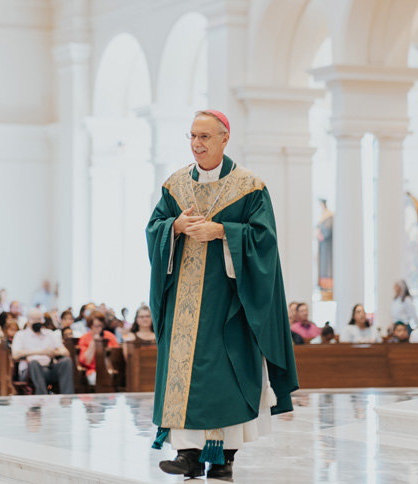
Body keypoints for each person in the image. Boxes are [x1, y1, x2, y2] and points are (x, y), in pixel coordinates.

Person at [146, 109, 298, 479]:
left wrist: (223, 233)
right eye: (193, 137)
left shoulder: (249, 187)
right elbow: (154, 229)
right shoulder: (175, 185)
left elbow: (265, 242)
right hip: (182, 302)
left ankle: (224, 458)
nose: (197, 145)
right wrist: (174, 226)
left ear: (224, 138)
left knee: (224, 376)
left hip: (228, 304)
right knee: (183, 374)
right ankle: (187, 454)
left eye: (205, 137)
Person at [11, 308, 74, 394]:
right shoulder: (21, 335)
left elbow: (66, 352)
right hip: (30, 371)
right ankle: (43, 397)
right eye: (35, 319)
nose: (38, 322)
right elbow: (15, 354)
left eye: (39, 319)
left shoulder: (49, 334)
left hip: (49, 368)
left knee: (66, 361)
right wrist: (41, 352)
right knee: (33, 363)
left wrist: (55, 352)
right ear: (28, 321)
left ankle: (67, 397)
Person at [78, 310, 120, 386]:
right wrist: (93, 342)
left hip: (110, 369)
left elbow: (116, 356)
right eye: (97, 326)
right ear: (90, 325)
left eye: (101, 326)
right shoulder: (84, 338)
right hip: (93, 371)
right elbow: (86, 361)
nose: (99, 329)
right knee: (99, 379)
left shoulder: (109, 336)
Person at [315, 199, 333, 295]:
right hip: (322, 246)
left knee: (327, 265)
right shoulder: (322, 216)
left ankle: (328, 287)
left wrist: (321, 234)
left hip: (327, 247)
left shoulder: (329, 216)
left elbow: (327, 229)